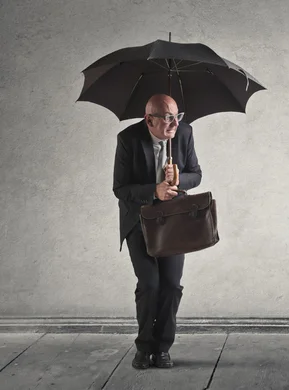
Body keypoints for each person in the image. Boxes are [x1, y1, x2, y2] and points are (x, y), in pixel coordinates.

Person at [113, 94, 202, 369]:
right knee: (150, 285)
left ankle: (162, 348)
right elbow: (120, 189)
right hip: (139, 220)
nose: (174, 123)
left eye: (177, 116)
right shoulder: (128, 139)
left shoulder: (184, 133)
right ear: (148, 119)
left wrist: (179, 178)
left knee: (171, 286)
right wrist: (154, 190)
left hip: (173, 221)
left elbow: (196, 174)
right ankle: (144, 346)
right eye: (167, 118)